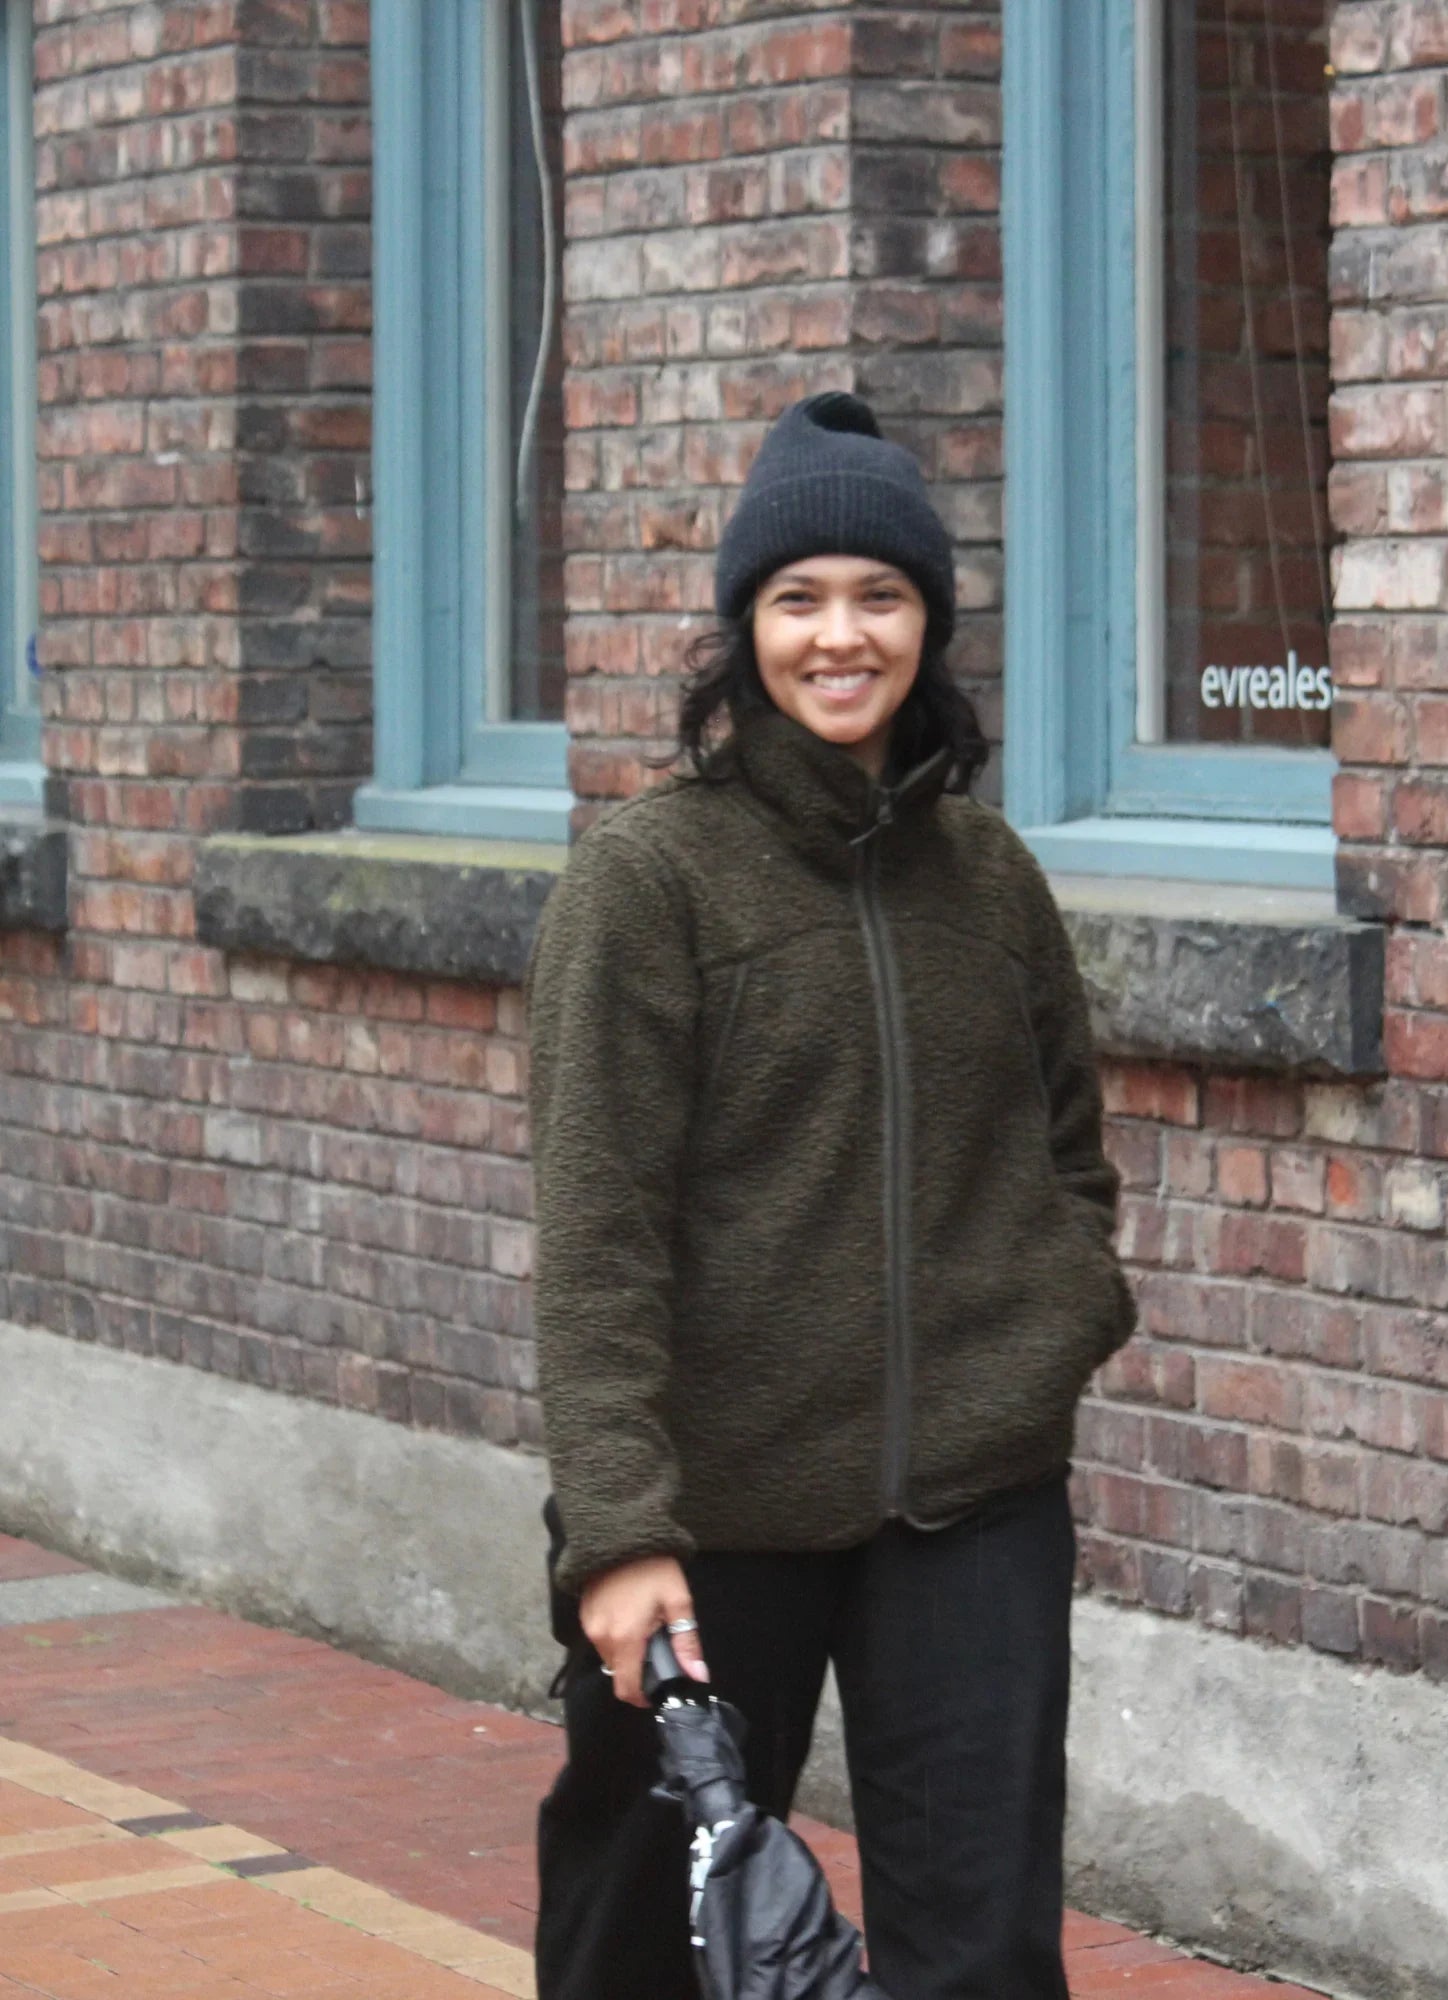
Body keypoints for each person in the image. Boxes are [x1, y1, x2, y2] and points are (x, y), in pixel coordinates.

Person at [527, 390, 1136, 1999]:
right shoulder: (651, 879)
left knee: (985, 1944)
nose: (840, 636)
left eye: (881, 596)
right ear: (747, 631)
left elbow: (1070, 1150)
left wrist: (1051, 1320)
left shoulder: (991, 878)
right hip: (712, 1514)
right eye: (799, 600)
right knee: (645, 1929)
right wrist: (618, 1534)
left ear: (927, 624)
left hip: (971, 1505)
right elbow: (597, 1237)